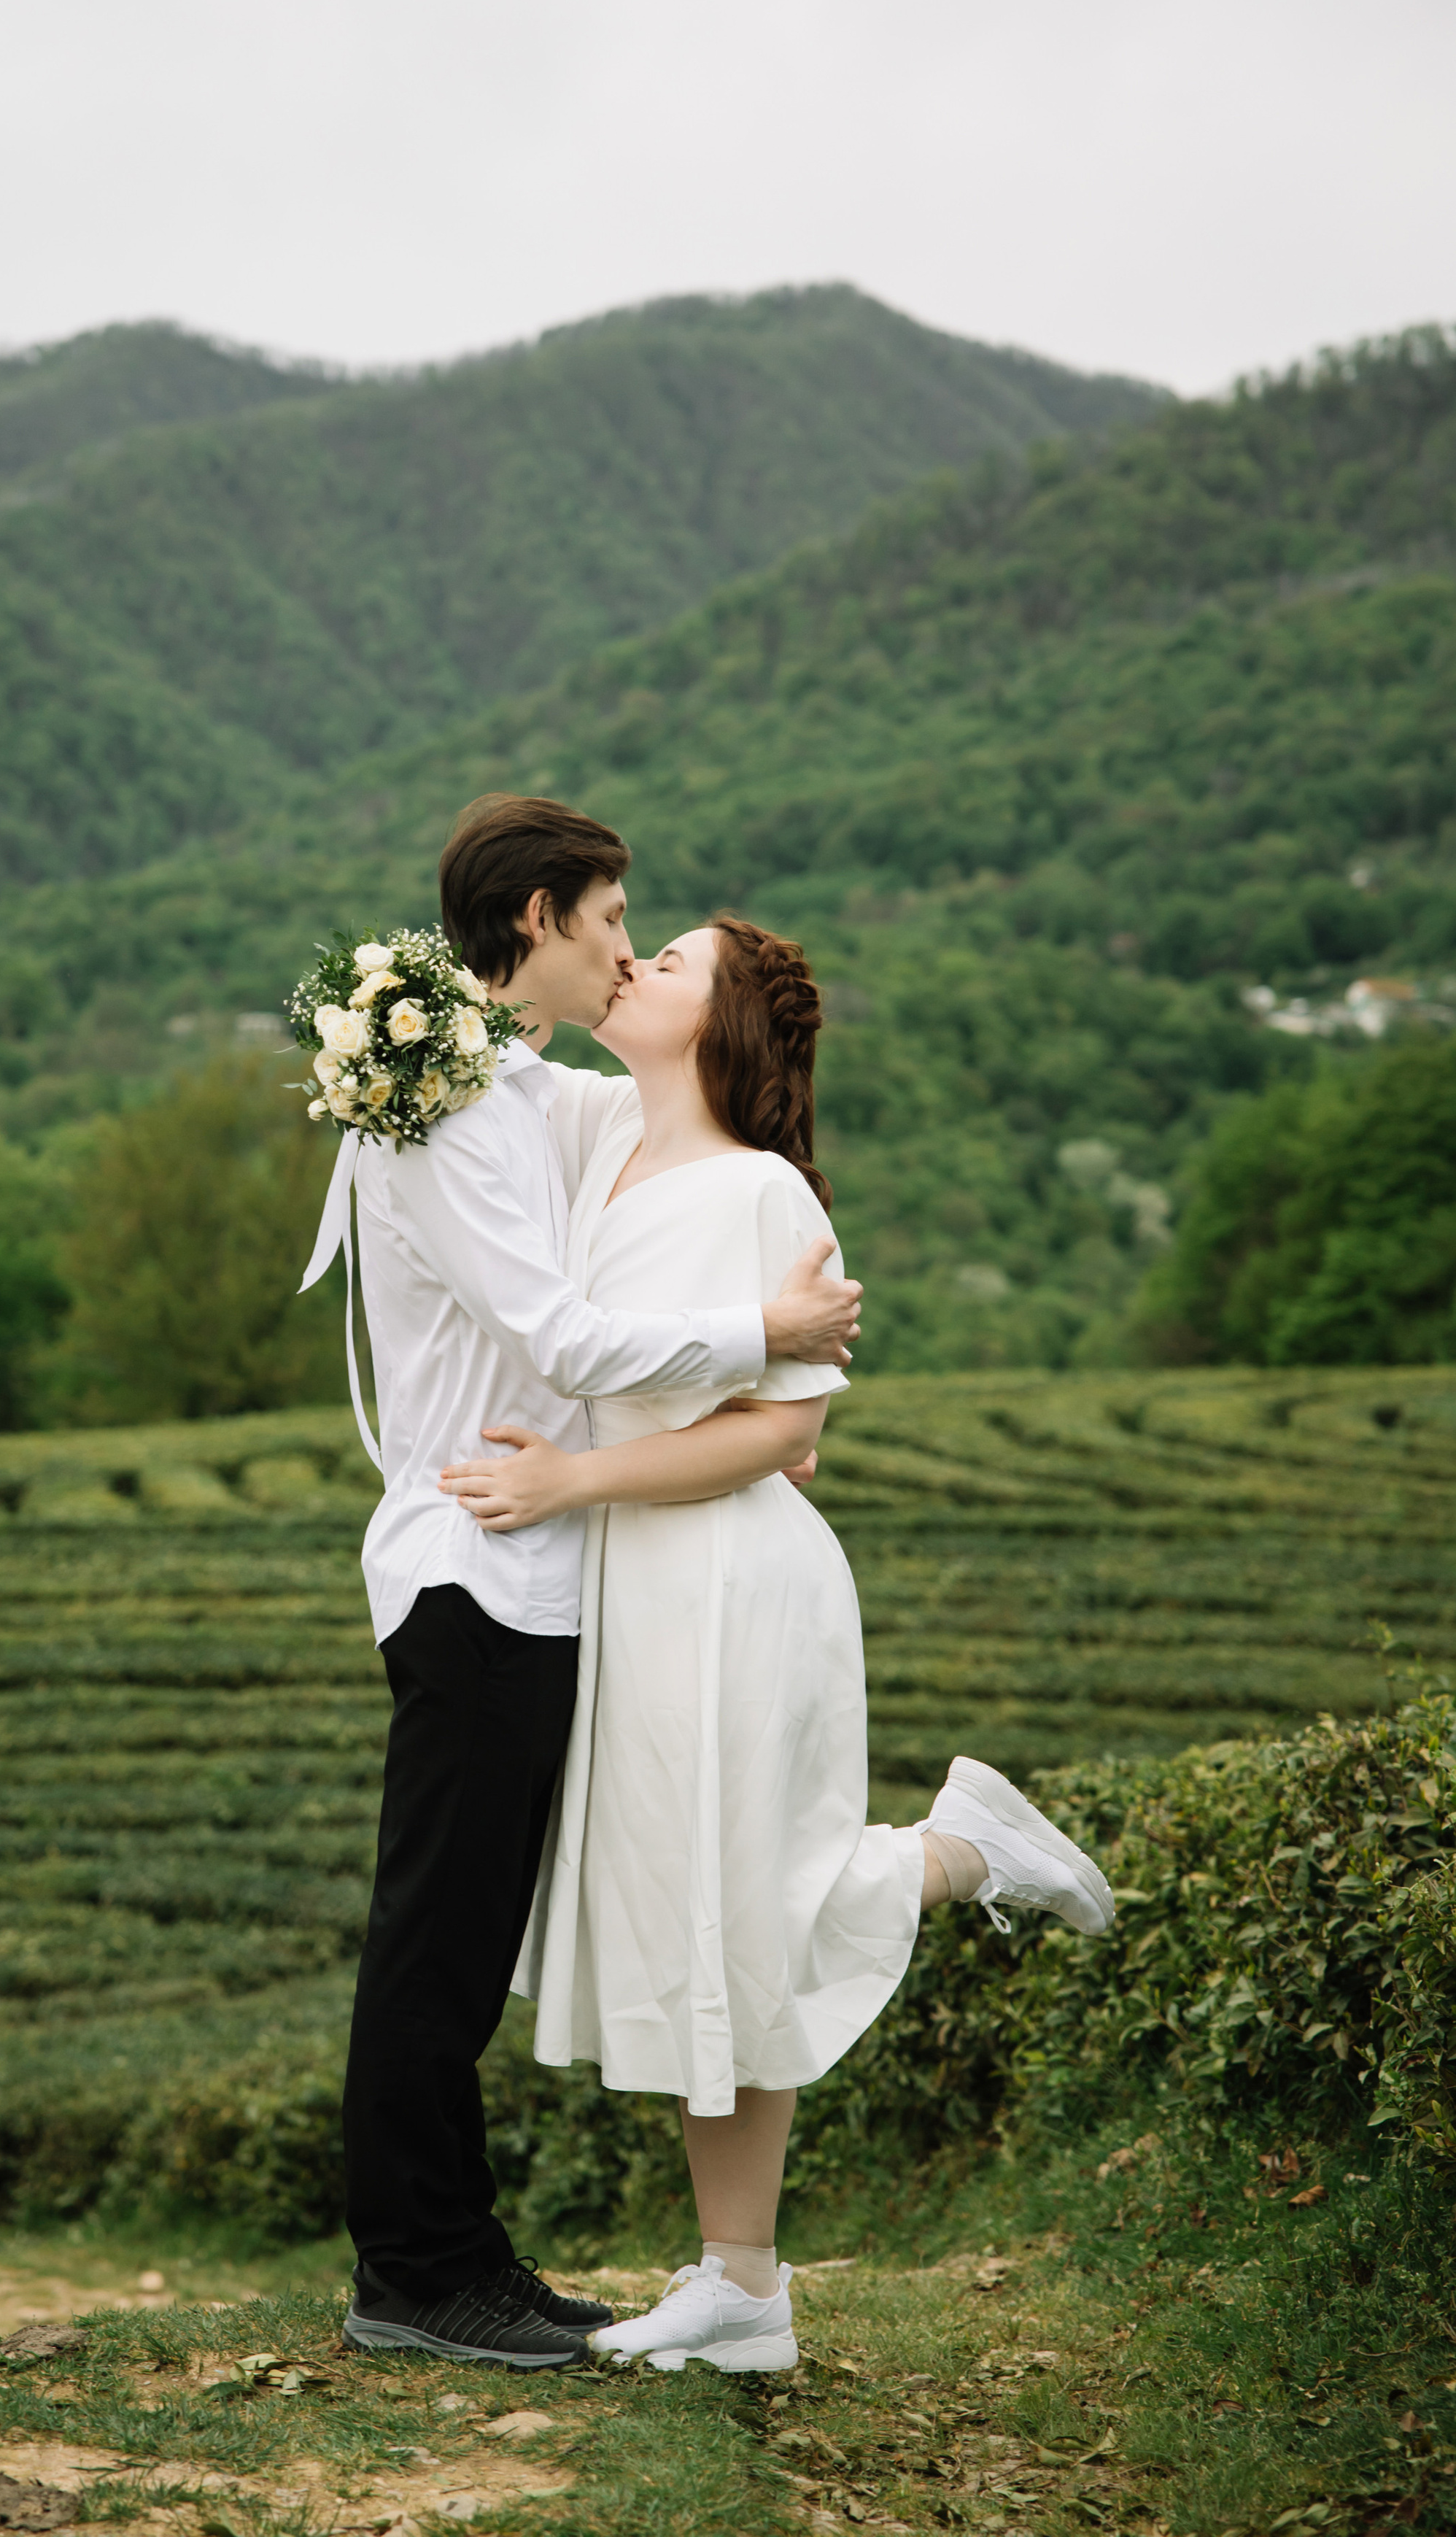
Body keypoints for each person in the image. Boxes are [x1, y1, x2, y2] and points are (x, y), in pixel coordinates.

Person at [442, 914, 1114, 2376]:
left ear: (721, 1025)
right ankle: (739, 2289)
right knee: (700, 1922)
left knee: (742, 1903)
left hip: (733, 1583)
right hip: (637, 1581)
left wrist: (569, 1479)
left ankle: (959, 1855)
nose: (634, 967)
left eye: (668, 962)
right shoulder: (599, 1153)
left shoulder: (760, 1195)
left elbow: (784, 1433)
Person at [326, 798, 867, 2371]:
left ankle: (457, 2254)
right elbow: (563, 1343)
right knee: (436, 1935)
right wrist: (764, 1346)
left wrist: (759, 1427)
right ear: (546, 917)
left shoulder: (518, 1092)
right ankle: (419, 2270)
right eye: (618, 918)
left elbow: (659, 1147)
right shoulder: (435, 1104)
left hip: (551, 1570)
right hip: (477, 1563)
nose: (629, 946)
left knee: (463, 1931)